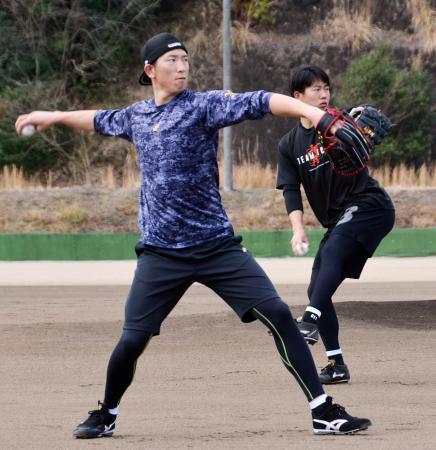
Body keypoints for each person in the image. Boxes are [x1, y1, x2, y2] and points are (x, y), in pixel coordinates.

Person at [16, 33, 372, 438]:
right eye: (172, 60)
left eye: (185, 59)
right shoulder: (136, 117)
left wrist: (321, 117)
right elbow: (97, 118)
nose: (182, 66)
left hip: (217, 247)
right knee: (132, 340)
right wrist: (53, 115)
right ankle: (107, 412)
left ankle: (322, 411)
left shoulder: (204, 106)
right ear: (150, 70)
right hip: (161, 254)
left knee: (276, 314)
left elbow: (262, 101)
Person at [276, 65, 395, 385]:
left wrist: (361, 139)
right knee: (317, 288)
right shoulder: (289, 145)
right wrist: (298, 228)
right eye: (315, 89)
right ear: (297, 97)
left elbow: (363, 143)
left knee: (331, 256)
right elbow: (290, 189)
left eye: (326, 87)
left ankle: (309, 319)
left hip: (369, 204)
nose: (324, 93)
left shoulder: (341, 123)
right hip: (341, 219)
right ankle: (336, 364)